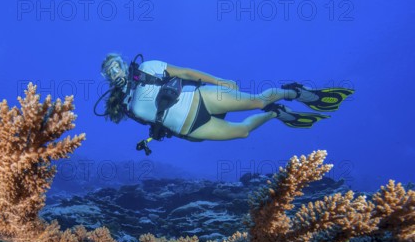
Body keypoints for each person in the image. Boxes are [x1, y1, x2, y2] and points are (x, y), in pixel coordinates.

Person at [95, 53, 354, 154]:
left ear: (123, 62)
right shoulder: (126, 106)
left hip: (200, 98)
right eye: (109, 72)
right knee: (242, 132)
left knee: (256, 101)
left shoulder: (147, 67)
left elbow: (184, 73)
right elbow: (154, 120)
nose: (115, 73)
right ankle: (276, 113)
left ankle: (293, 93)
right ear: (107, 78)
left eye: (116, 65)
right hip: (189, 128)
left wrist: (219, 81)